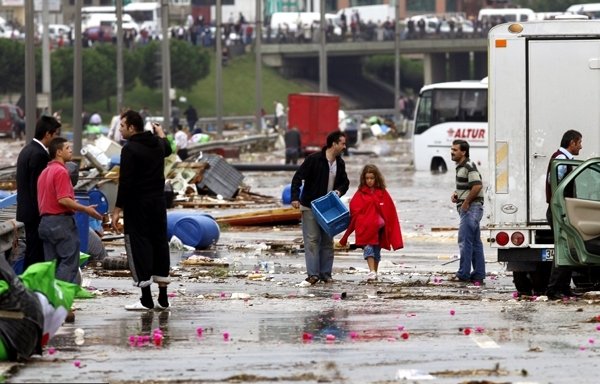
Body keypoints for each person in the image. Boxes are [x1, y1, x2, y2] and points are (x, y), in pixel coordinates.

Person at [111, 110, 172, 311]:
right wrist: (161, 132)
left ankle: (146, 299)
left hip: (138, 205)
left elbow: (125, 182)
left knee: (139, 246)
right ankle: (163, 298)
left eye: (122, 126)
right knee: (159, 243)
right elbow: (168, 148)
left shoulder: (129, 149)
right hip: (158, 203)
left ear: (131, 127)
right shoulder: (156, 143)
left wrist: (117, 208)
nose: (120, 130)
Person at [37, 137, 103, 284]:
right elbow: (63, 200)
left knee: (51, 265)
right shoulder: (61, 171)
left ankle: (50, 299)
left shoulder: (44, 172)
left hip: (45, 223)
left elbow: (52, 199)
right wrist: (85, 209)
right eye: (67, 148)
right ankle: (61, 296)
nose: (71, 150)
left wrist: (72, 203)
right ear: (58, 152)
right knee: (69, 260)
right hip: (60, 223)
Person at [291, 131, 349, 286]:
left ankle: (326, 274)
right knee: (312, 240)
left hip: (328, 209)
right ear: (334, 144)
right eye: (342, 143)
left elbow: (345, 183)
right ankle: (313, 275)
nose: (344, 146)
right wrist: (295, 197)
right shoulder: (313, 160)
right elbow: (297, 177)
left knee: (327, 242)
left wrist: (339, 191)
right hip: (310, 205)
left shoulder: (340, 163)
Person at [339, 164, 403, 281]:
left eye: (372, 178)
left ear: (376, 178)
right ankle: (371, 271)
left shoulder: (382, 192)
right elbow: (354, 207)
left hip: (379, 229)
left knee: (376, 250)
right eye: (367, 178)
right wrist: (361, 218)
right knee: (368, 249)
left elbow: (390, 211)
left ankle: (374, 272)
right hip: (365, 228)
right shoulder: (360, 192)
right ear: (364, 179)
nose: (369, 181)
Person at [16, 115, 61, 270]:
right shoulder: (40, 155)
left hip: (27, 210)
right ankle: (33, 287)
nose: (55, 138)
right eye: (55, 134)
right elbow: (39, 188)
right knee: (36, 254)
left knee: (31, 251)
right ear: (48, 134)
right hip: (36, 213)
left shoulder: (27, 149)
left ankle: (28, 287)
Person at [545, 130, 583, 300]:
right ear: (572, 142)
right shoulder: (560, 160)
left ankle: (564, 287)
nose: (580, 147)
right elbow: (556, 186)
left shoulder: (564, 159)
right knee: (563, 250)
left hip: (562, 210)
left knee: (568, 249)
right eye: (579, 143)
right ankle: (553, 289)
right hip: (559, 210)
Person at [450, 139, 485, 285]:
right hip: (472, 207)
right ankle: (478, 275)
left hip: (472, 208)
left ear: (463, 152)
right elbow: (469, 186)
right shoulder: (461, 167)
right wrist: (457, 194)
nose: (452, 152)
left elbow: (477, 186)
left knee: (464, 241)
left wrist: (466, 202)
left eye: (455, 150)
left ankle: (463, 274)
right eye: (451, 149)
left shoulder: (469, 165)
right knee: (475, 243)